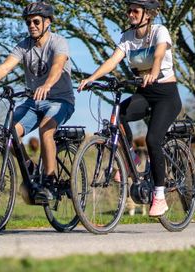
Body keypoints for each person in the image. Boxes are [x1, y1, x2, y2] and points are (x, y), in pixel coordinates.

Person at [77, 0, 181, 217]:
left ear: (148, 14)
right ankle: (130, 157)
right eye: (129, 10)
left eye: (135, 11)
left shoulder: (160, 31)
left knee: (153, 140)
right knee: (118, 115)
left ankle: (159, 196)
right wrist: (91, 78)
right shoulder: (127, 37)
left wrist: (154, 71)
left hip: (165, 94)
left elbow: (160, 53)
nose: (130, 14)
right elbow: (113, 60)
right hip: (143, 92)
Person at [0, 2, 75, 204]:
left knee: (46, 130)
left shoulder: (58, 42)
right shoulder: (23, 46)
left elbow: (58, 65)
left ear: (48, 22)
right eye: (28, 22)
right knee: (9, 133)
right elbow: (5, 67)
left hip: (60, 101)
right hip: (33, 102)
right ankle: (30, 169)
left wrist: (47, 85)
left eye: (36, 21)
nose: (32, 25)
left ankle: (50, 180)